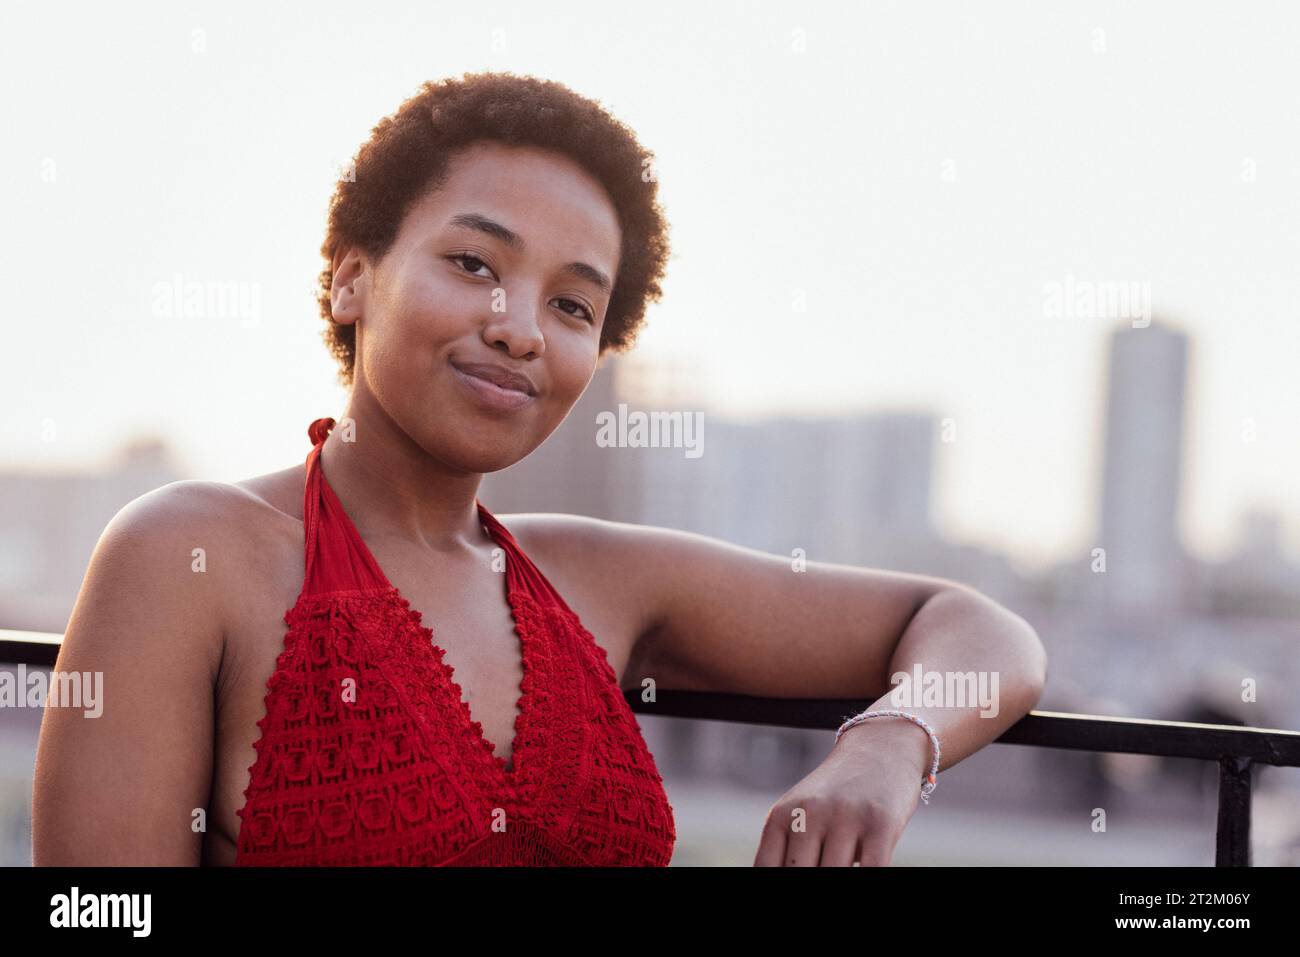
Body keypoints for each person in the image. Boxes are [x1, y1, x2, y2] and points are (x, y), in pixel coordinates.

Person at [31, 71, 1047, 867]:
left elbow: (979, 631)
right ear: (352, 277)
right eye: (473, 264)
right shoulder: (191, 553)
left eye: (570, 305)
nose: (517, 328)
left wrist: (888, 747)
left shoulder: (597, 579)